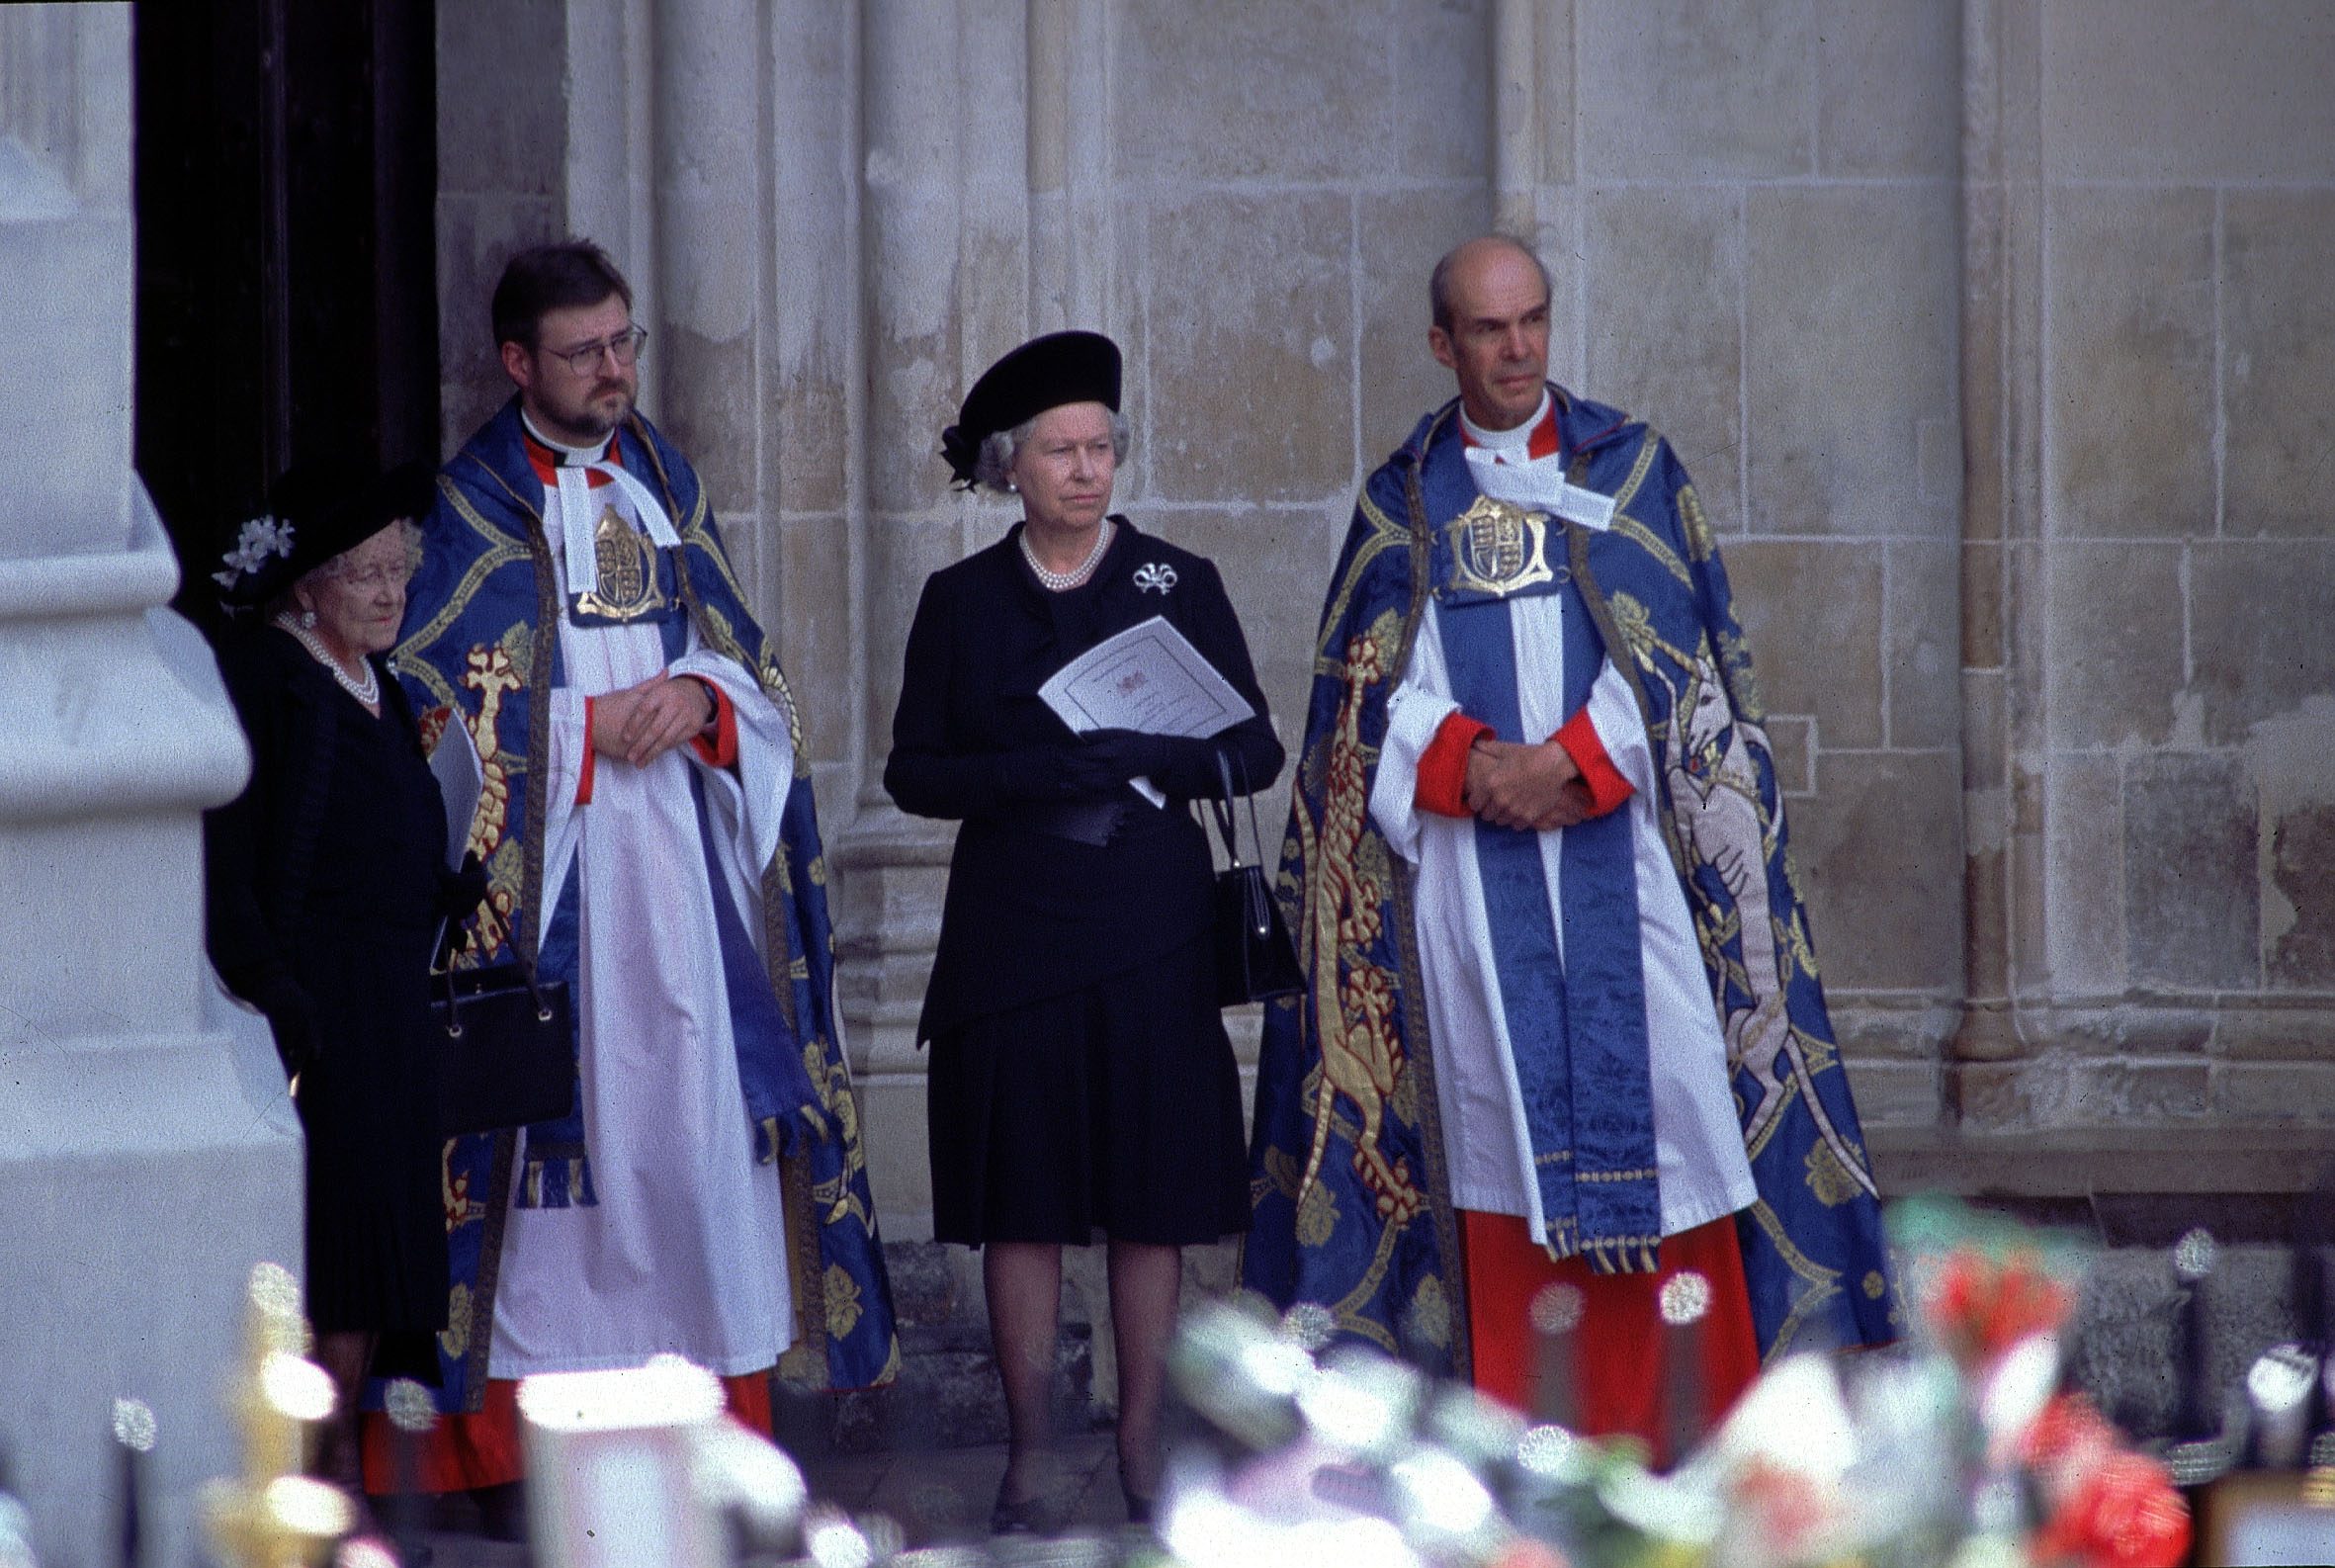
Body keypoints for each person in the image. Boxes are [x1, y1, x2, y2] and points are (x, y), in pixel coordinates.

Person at [1242, 235, 1897, 1453]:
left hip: (1628, 868)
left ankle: (1688, 1442)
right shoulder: (1402, 500)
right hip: (1466, 896)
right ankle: (1530, 1453)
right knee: (1491, 1136)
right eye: (1488, 330)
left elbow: (1686, 670)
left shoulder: (1631, 468)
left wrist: (1575, 767)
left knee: (1675, 1109)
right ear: (1442, 344)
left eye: (1533, 319)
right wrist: (1475, 768)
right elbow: (1361, 704)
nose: (1518, 348)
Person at [387, 241, 897, 1515]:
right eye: (584, 351)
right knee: (568, 1184)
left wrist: (702, 701)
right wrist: (575, 735)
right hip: (557, 901)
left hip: (685, 880)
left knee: (697, 1151)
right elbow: (436, 709)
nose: (614, 370)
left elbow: (744, 658)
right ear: (517, 363)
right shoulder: (467, 510)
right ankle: (516, 1458)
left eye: (625, 343)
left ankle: (715, 1433)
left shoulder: (664, 476)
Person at [887, 330, 1284, 1528]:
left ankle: (1144, 1439)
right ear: (1011, 465)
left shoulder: (1178, 579)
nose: (1086, 470)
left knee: (1152, 1196)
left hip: (1154, 926)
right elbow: (912, 770)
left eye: (1101, 446)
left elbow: (1254, 748)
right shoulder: (960, 601)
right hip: (1014, 932)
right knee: (1025, 1200)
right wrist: (1031, 773)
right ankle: (1027, 1451)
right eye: (1061, 449)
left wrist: (1156, 752)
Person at [204, 458, 472, 1502]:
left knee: (369, 1273)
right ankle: (309, 1500)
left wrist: (444, 881)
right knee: (337, 1268)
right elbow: (235, 851)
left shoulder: (380, 680)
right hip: (321, 1012)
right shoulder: (272, 679)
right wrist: (273, 983)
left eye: (399, 568)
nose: (388, 590)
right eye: (363, 572)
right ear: (305, 584)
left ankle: (337, 1492)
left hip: (386, 1005)